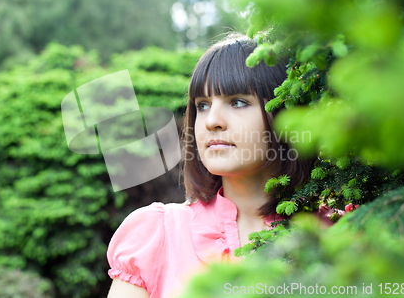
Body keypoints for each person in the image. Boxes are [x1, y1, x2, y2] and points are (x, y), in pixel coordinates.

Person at [106, 34, 336, 298]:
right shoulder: (157, 234)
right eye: (202, 106)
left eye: (238, 102)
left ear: (285, 114)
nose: (211, 120)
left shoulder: (344, 233)